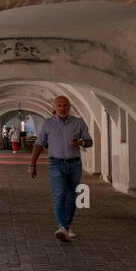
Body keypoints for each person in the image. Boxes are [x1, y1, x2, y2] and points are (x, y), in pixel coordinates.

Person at [29, 95, 93, 242]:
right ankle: (62, 227)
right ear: (54, 108)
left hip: (74, 164)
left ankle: (67, 227)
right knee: (59, 195)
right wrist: (32, 164)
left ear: (70, 107)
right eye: (59, 106)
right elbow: (39, 144)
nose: (62, 108)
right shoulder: (48, 124)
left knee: (71, 196)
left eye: (65, 105)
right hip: (55, 164)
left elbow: (90, 142)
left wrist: (81, 142)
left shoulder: (79, 122)